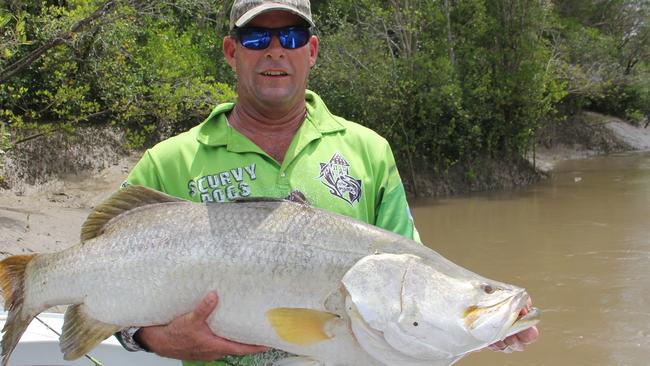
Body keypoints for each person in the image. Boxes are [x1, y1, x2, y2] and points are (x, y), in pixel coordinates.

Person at [116, 0, 539, 364]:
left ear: (312, 50)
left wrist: (483, 331)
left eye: (293, 38)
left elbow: (407, 284)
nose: (276, 52)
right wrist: (154, 338)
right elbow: (105, 291)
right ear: (232, 51)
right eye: (258, 38)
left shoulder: (369, 152)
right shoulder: (168, 162)